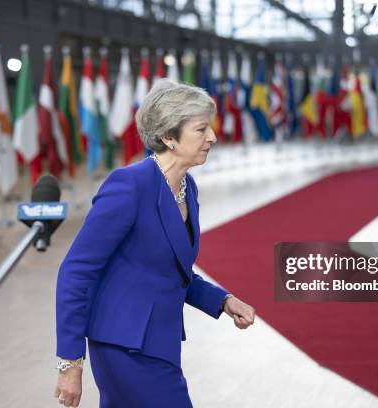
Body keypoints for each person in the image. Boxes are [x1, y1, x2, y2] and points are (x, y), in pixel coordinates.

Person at [54, 78, 256, 407]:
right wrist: (69, 362)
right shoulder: (129, 186)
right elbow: (75, 272)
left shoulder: (186, 188)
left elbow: (172, 270)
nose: (213, 138)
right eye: (201, 129)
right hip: (125, 345)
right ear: (167, 137)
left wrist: (222, 300)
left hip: (159, 341)